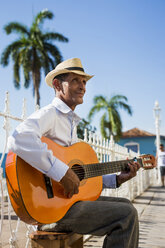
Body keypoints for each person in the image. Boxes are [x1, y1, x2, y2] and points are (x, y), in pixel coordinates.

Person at [8, 58, 140, 248]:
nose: (82, 87)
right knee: (125, 215)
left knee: (127, 206)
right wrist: (61, 172)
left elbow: (78, 177)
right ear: (57, 85)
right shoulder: (51, 113)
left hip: (67, 204)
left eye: (84, 82)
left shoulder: (70, 122)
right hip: (52, 211)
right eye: (75, 80)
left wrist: (117, 179)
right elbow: (18, 138)